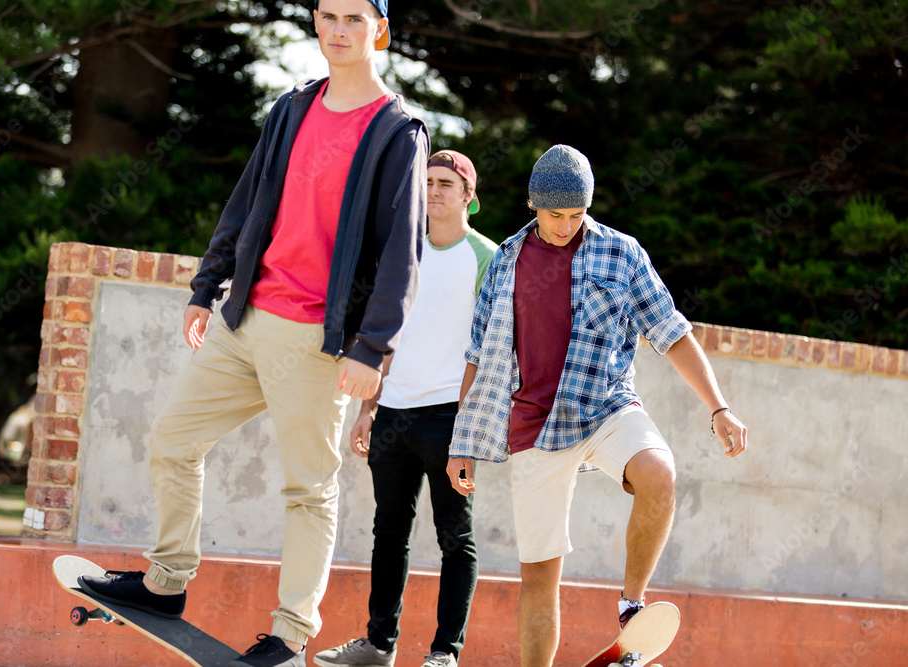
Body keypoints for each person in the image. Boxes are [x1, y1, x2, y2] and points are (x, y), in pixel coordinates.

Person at [77, 1, 429, 666]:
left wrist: (373, 347)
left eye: (355, 18)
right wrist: (206, 284)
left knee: (309, 489)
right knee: (174, 438)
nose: (339, 30)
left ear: (380, 29)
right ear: (316, 21)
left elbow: (401, 254)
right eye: (328, 15)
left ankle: (290, 636)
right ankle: (166, 581)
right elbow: (247, 201)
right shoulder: (292, 107)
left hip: (317, 338)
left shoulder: (396, 131)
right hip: (246, 318)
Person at [446, 145, 748, 667]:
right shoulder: (505, 262)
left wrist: (719, 407)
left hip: (606, 407)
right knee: (539, 574)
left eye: (577, 214)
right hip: (533, 427)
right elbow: (477, 354)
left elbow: (672, 332)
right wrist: (462, 442)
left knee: (659, 473)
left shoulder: (621, 253)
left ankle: (632, 606)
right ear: (532, 205)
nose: (566, 227)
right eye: (555, 215)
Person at [314, 151, 495, 667]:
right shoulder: (406, 254)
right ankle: (378, 645)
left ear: (469, 197)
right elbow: (387, 336)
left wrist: (470, 427)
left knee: (455, 537)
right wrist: (368, 408)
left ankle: (444, 653)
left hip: (449, 418)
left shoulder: (487, 257)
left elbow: (492, 348)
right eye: (428, 182)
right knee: (388, 534)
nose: (433, 191)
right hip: (392, 413)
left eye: (445, 184)